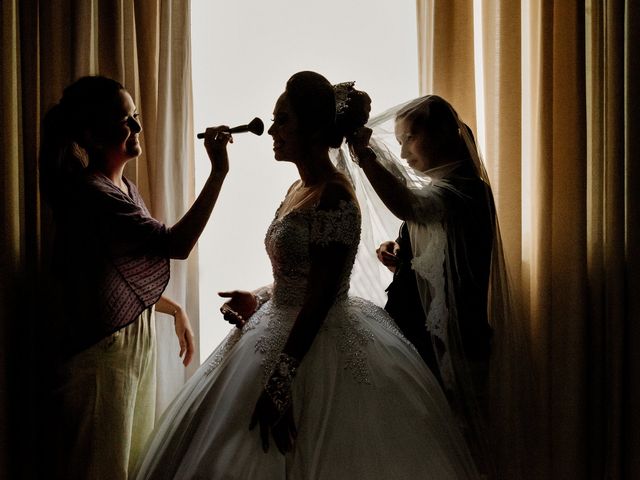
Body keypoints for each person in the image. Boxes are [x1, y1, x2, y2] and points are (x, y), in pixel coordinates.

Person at [132, 72, 480, 479]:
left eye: (283, 120)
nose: (272, 131)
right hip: (276, 322)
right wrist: (260, 297)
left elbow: (320, 296)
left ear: (312, 129)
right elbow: (296, 277)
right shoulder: (300, 188)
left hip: (319, 338)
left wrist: (281, 386)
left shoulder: (336, 195)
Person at [38, 75, 232, 480]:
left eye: (136, 117)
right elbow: (175, 244)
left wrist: (173, 307)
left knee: (128, 465)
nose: (138, 128)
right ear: (93, 135)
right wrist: (217, 174)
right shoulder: (94, 195)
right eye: (126, 120)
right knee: (101, 469)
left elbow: (109, 277)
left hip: (125, 349)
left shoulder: (123, 188)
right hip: (102, 358)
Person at [346, 94, 527, 477]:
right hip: (420, 334)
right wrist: (404, 259)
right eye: (398, 144)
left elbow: (410, 206)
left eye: (408, 138)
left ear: (443, 133)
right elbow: (437, 257)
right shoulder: (448, 187)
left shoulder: (466, 188)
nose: (404, 154)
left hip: (451, 343)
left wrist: (365, 156)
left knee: (451, 444)